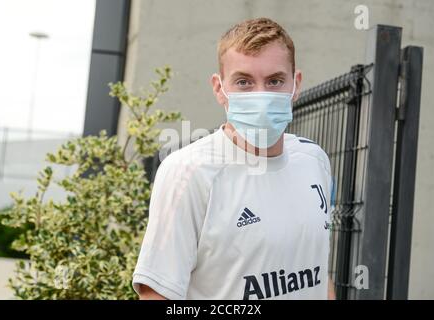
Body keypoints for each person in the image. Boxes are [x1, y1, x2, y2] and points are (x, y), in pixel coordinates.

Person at [132, 17, 336, 300]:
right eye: (244, 82)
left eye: (275, 81)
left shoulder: (314, 160)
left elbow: (316, 267)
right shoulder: (188, 172)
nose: (262, 96)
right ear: (219, 89)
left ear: (296, 84)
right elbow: (157, 294)